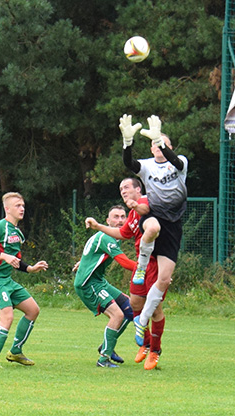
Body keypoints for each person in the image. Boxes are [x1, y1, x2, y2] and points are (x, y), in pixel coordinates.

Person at [119, 114, 187, 356]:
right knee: (151, 228)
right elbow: (129, 163)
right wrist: (127, 142)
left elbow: (175, 161)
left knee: (165, 280)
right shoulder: (147, 165)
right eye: (155, 145)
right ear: (150, 149)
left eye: (163, 145)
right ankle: (141, 266)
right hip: (154, 216)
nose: (158, 148)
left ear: (170, 147)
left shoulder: (180, 163)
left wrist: (160, 140)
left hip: (174, 226)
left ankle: (142, 320)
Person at [85, 177, 167, 370]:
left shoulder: (147, 203)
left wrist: (165, 270)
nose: (123, 191)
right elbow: (123, 234)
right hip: (137, 267)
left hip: (153, 264)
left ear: (138, 190)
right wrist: (98, 227)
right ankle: (143, 344)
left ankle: (154, 350)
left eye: (127, 187)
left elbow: (153, 221)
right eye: (121, 188)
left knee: (152, 309)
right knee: (134, 304)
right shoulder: (131, 216)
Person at [0, 192, 48, 368]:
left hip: (6, 280)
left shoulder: (17, 233)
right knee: (7, 317)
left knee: (33, 310)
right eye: (17, 205)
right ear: (7, 209)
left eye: (23, 205)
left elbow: (16, 261)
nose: (22, 208)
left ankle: (15, 351)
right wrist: (2, 256)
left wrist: (30, 268)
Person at [76, 205, 137, 368]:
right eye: (115, 217)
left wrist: (82, 263)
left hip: (98, 281)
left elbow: (92, 253)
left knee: (130, 309)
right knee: (117, 315)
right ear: (107, 221)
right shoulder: (106, 237)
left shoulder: (114, 237)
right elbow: (124, 262)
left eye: (123, 217)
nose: (120, 220)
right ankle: (103, 359)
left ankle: (107, 346)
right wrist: (151, 271)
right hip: (88, 284)